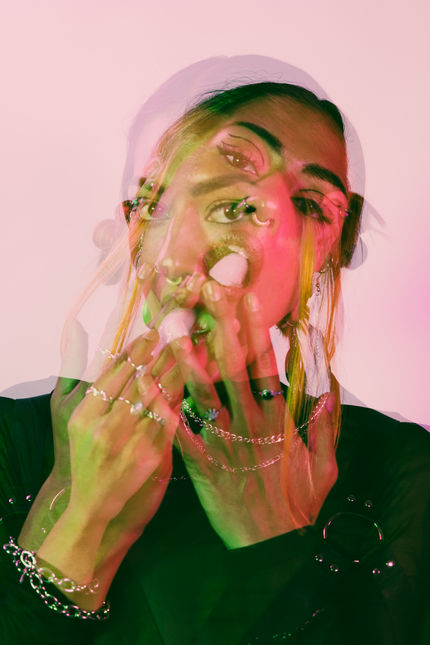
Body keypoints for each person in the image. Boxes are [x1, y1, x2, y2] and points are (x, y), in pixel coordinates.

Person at [1, 62, 429, 644]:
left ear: (327, 254)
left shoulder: (399, 470)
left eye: (309, 205)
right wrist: (78, 526)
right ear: (138, 225)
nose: (270, 235)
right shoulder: (13, 445)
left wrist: (276, 542)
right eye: (230, 201)